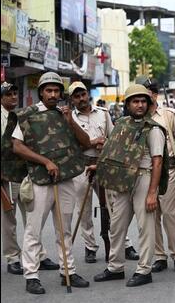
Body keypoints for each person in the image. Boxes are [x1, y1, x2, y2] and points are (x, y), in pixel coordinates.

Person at [12, 72, 92, 294]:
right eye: (49, 90)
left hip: (65, 179)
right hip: (40, 181)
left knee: (64, 229)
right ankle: (31, 275)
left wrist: (70, 122)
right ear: (41, 92)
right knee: (33, 230)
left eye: (57, 91)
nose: (53, 94)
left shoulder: (64, 114)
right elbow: (17, 147)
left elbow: (85, 143)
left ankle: (68, 271)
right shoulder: (28, 115)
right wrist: (45, 161)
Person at [93, 84, 168, 287]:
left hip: (144, 178)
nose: (140, 105)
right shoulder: (122, 124)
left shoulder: (153, 129)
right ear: (127, 104)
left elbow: (157, 162)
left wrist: (152, 192)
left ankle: (144, 270)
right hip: (122, 180)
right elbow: (114, 152)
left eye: (143, 101)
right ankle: (115, 267)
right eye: (135, 101)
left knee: (146, 227)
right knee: (116, 225)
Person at [1, 82, 58, 276]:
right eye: (9, 94)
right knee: (8, 219)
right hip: (5, 176)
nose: (13, 96)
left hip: (26, 173)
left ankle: (38, 256)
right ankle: (13, 258)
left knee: (33, 217)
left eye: (15, 93)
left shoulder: (22, 115)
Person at [135, 76, 175, 273]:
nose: (143, 98)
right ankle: (159, 256)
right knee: (152, 216)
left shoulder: (168, 114)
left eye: (147, 93)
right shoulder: (134, 118)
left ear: (154, 94)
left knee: (169, 215)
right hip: (144, 173)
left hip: (168, 171)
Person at [69, 81, 113, 264]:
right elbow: (71, 146)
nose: (81, 99)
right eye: (77, 96)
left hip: (103, 164)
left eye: (83, 94)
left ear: (88, 95)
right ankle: (90, 247)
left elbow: (114, 138)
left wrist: (105, 144)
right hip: (83, 167)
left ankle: (122, 244)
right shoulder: (69, 119)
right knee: (84, 210)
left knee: (113, 206)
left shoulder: (103, 114)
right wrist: (93, 141)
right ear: (72, 99)